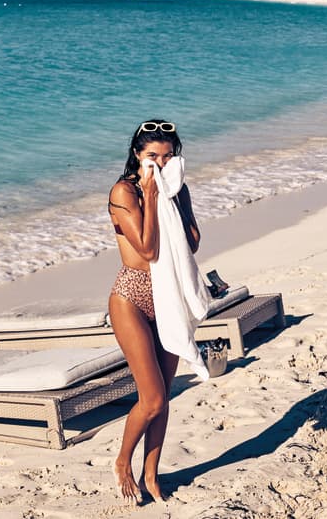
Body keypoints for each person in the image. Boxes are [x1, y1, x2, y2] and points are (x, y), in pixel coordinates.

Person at [108, 119, 200, 504]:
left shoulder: (175, 189)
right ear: (136, 155)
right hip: (131, 298)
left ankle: (151, 475)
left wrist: (171, 198)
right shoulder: (124, 192)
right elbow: (146, 250)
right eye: (151, 157)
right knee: (153, 399)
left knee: (165, 397)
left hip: (168, 298)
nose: (159, 166)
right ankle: (122, 462)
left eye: (166, 157)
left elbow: (191, 242)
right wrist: (151, 193)